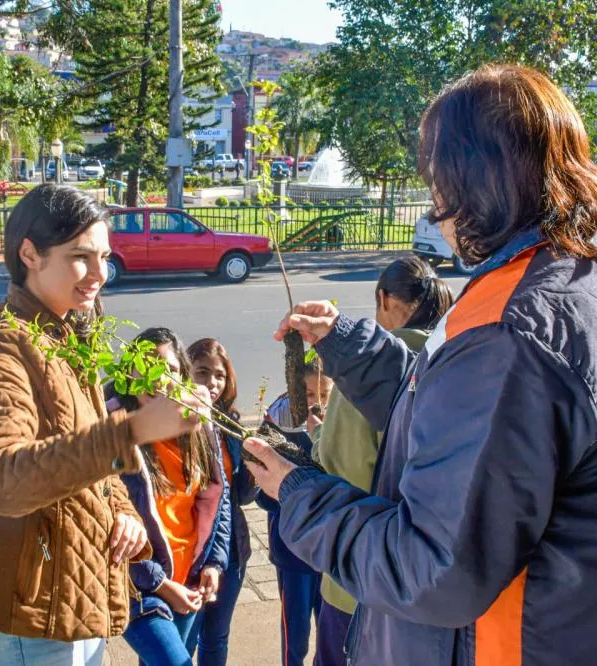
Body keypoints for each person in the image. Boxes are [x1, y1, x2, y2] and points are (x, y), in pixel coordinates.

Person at [245, 64, 597, 665]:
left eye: (437, 184)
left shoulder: (516, 329)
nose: (434, 211)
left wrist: (299, 495)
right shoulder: (595, 274)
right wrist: (347, 343)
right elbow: (461, 428)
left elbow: (429, 570)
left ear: (472, 181)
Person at [0, 184, 206, 665]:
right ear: (29, 252)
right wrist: (132, 430)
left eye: (105, 256)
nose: (100, 274)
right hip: (31, 614)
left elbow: (84, 455)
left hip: (75, 593)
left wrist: (123, 514)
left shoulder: (61, 332)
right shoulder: (3, 348)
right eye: (81, 257)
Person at [310, 256, 454, 666]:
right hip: (433, 582)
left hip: (360, 575)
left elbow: (339, 466)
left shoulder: (362, 370)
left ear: (384, 299)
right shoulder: (453, 359)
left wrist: (316, 437)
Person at [108, 328, 231, 666]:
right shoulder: (114, 430)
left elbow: (219, 498)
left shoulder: (197, 423)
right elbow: (106, 522)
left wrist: (213, 563)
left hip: (188, 576)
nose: (158, 378)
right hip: (140, 587)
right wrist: (160, 585)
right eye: (146, 365)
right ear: (128, 372)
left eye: (170, 369)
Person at [187, 338, 257, 666]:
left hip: (230, 550)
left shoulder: (231, 425)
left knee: (216, 637)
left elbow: (240, 495)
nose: (212, 383)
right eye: (202, 372)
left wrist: (257, 466)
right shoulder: (175, 422)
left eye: (220, 375)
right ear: (185, 372)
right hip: (187, 551)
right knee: (179, 641)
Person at [257, 358, 331, 666]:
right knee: (295, 632)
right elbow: (262, 493)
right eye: (309, 396)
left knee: (329, 628)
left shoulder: (339, 426)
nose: (316, 405)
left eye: (325, 395)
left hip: (329, 549)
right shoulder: (276, 425)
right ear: (294, 391)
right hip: (293, 552)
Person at [264, 356, 332, 435]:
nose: (317, 402)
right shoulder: (283, 417)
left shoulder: (338, 407)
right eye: (309, 394)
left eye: (323, 395)